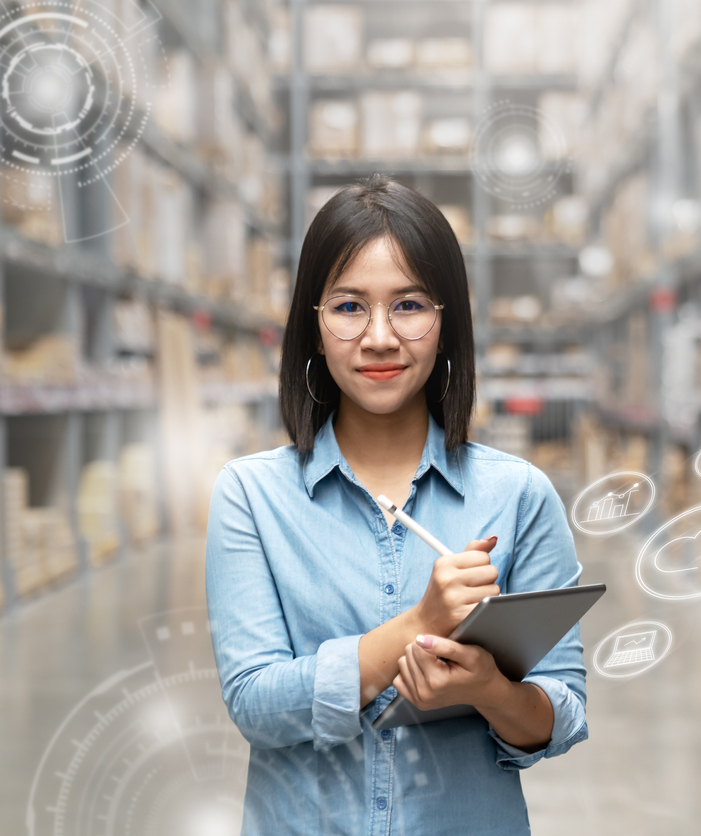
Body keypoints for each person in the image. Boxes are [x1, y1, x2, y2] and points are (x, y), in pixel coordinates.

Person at [205, 177, 587, 835]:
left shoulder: (517, 496)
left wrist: (486, 691)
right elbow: (256, 708)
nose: (379, 337)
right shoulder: (251, 497)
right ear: (313, 326)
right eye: (349, 307)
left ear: (446, 321)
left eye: (408, 305)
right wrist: (419, 625)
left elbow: (562, 714)